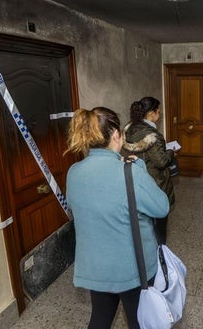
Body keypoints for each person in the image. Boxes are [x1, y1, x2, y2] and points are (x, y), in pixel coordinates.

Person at [65, 107, 169, 329]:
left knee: (100, 318)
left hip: (96, 267)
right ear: (115, 135)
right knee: (138, 320)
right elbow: (162, 207)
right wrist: (139, 166)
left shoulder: (74, 172)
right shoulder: (131, 171)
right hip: (131, 269)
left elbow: (75, 208)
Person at [123, 97, 176, 244]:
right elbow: (161, 162)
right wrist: (171, 152)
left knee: (141, 218)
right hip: (154, 181)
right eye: (158, 112)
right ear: (151, 113)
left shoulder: (129, 128)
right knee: (159, 219)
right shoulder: (153, 135)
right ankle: (160, 250)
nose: (159, 115)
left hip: (135, 178)